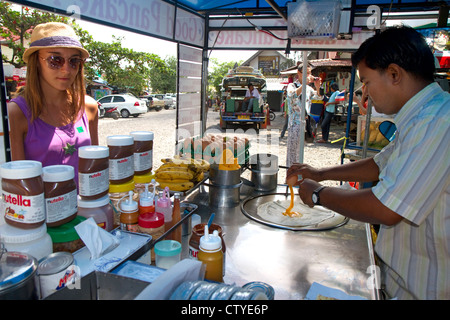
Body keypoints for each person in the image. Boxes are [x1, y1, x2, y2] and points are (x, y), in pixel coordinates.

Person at [286, 26, 450, 299]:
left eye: (367, 81)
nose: (365, 91)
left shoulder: (436, 122)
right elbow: (379, 164)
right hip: (405, 280)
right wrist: (320, 172)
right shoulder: (422, 116)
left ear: (394, 74)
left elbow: (386, 209)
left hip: (426, 289)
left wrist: (318, 194)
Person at [7, 22, 99, 187]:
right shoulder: (16, 113)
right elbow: (19, 185)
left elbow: (95, 170)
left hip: (86, 211)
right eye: (55, 60)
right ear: (36, 62)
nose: (66, 69)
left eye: (74, 61)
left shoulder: (89, 107)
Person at [285, 65, 321, 167]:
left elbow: (319, 97)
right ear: (299, 73)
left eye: (309, 73)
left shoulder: (309, 89)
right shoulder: (292, 86)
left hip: (305, 124)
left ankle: (298, 176)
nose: (309, 75)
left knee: (300, 154)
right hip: (294, 124)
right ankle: (290, 177)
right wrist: (304, 84)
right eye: (306, 73)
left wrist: (318, 87)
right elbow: (292, 96)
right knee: (292, 155)